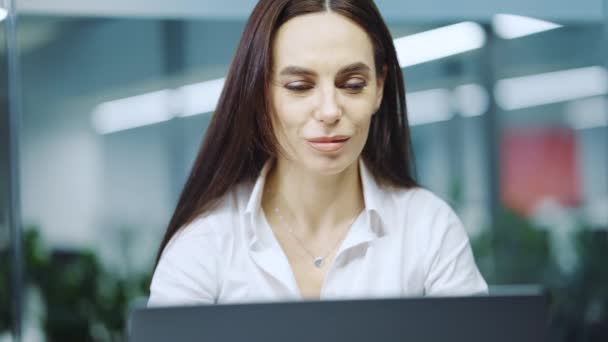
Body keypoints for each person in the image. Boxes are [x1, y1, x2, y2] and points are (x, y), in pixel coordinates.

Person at [148, 0, 487, 305]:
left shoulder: (428, 227)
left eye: (353, 84)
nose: (329, 111)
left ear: (379, 88)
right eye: (299, 86)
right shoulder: (205, 243)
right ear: (260, 94)